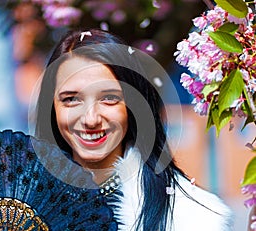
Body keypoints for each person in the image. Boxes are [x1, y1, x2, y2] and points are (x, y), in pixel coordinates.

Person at [34, 28, 233, 231]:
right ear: (52, 107)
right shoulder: (23, 205)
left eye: (109, 98)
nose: (90, 119)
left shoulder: (191, 218)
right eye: (71, 99)